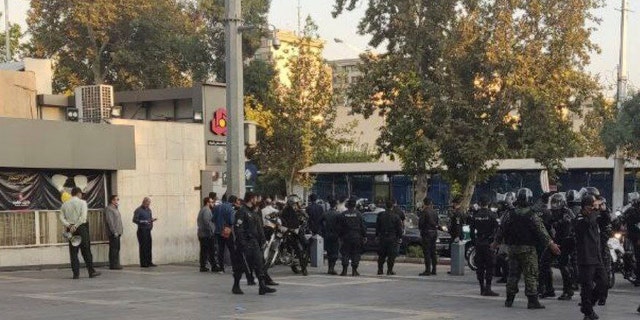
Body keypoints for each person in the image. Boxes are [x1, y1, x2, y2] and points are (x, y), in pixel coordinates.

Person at [493, 188, 560, 309]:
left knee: (512, 274)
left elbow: (501, 230)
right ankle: (532, 300)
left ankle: (509, 299)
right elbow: (542, 232)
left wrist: (495, 243)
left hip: (512, 249)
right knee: (531, 274)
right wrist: (552, 245)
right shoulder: (531, 215)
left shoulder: (509, 214)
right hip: (528, 250)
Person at [233, 192, 276, 295]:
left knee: (259, 264)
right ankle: (236, 285)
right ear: (251, 199)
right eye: (256, 198)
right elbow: (238, 229)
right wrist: (243, 243)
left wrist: (263, 241)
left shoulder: (254, 212)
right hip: (245, 244)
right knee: (241, 266)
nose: (258, 200)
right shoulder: (242, 212)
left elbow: (259, 229)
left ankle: (262, 286)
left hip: (255, 243)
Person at [574, 194, 608, 320]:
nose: (594, 209)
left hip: (597, 256)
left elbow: (605, 222)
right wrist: (595, 211)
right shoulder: (579, 218)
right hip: (586, 258)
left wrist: (604, 211)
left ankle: (587, 304)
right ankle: (588, 312)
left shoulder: (593, 216)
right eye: (591, 207)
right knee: (587, 286)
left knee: (604, 283)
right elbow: (587, 224)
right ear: (585, 207)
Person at [59, 187, 101, 279]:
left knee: (73, 252)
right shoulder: (83, 203)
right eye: (81, 193)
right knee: (86, 250)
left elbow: (61, 218)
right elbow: (83, 217)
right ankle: (91, 271)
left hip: (70, 229)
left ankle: (76, 274)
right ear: (78, 194)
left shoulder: (65, 204)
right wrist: (76, 226)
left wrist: (70, 226)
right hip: (81, 228)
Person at [469, 195, 499, 296]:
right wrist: (495, 241)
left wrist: (474, 241)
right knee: (490, 265)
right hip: (488, 243)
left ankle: (482, 288)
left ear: (480, 204)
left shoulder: (475, 215)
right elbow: (498, 230)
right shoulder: (492, 215)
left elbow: (471, 230)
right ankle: (488, 288)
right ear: (488, 203)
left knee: (480, 266)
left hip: (479, 243)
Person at [549, 193, 577, 301]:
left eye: (556, 202)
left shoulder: (567, 212)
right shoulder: (552, 212)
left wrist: (558, 223)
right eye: (553, 202)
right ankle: (548, 289)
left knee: (564, 265)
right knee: (544, 262)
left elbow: (570, 224)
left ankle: (568, 290)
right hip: (555, 241)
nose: (554, 205)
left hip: (567, 241)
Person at [337, 197, 366, 276]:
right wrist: (364, 236)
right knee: (356, 253)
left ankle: (344, 270)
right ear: (355, 205)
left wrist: (340, 236)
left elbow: (339, 227)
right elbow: (363, 227)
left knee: (345, 253)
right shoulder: (359, 214)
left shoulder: (343, 214)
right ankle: (354, 271)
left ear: (347, 205)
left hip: (346, 237)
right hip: (356, 237)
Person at [281, 195, 309, 276]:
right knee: (299, 250)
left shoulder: (296, 211)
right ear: (292, 203)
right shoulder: (287, 211)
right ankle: (304, 269)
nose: (297, 205)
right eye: (296, 203)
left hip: (297, 232)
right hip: (291, 234)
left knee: (306, 245)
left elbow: (306, 218)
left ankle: (302, 263)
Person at [376, 200, 403, 275]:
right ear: (392, 206)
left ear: (385, 206)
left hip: (382, 237)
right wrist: (400, 237)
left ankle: (380, 270)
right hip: (392, 238)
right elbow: (399, 228)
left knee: (381, 255)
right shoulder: (396, 216)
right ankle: (389, 270)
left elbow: (377, 227)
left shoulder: (380, 215)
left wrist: (377, 236)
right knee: (391, 256)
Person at [418, 197, 440, 276]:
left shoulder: (424, 212)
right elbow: (437, 222)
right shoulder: (434, 212)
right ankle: (434, 269)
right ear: (430, 203)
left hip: (426, 233)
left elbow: (421, 223)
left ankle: (427, 270)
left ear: (424, 203)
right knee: (433, 252)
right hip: (434, 233)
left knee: (427, 252)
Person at [133, 197, 157, 267]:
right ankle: (143, 263)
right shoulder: (138, 210)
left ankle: (149, 261)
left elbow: (149, 218)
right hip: (142, 230)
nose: (148, 205)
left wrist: (152, 220)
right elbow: (134, 220)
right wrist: (143, 221)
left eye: (149, 204)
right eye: (147, 204)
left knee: (149, 246)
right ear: (143, 202)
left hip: (148, 230)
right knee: (143, 247)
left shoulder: (149, 210)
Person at [320, 197, 341, 275]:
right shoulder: (338, 214)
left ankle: (330, 268)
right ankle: (331, 268)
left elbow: (320, 222)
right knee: (335, 253)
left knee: (329, 252)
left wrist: (323, 230)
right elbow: (341, 225)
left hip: (327, 234)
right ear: (335, 205)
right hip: (335, 235)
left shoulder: (325, 213)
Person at [624, 192, 640, 287]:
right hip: (631, 235)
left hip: (636, 236)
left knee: (638, 257)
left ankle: (638, 278)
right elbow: (623, 216)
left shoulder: (636, 210)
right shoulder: (630, 209)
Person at [197, 197, 217, 272]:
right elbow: (206, 221)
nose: (213, 204)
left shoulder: (203, 209)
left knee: (204, 251)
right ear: (207, 203)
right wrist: (211, 230)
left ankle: (203, 266)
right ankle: (212, 266)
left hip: (203, 233)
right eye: (211, 202)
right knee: (210, 250)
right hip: (206, 234)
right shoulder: (206, 210)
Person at [104, 194, 123, 270]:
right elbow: (110, 221)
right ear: (112, 200)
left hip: (118, 231)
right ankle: (113, 265)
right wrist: (114, 231)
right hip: (113, 232)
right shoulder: (109, 209)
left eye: (118, 200)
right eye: (116, 199)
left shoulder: (115, 208)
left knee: (117, 248)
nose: (117, 201)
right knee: (114, 248)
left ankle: (116, 263)